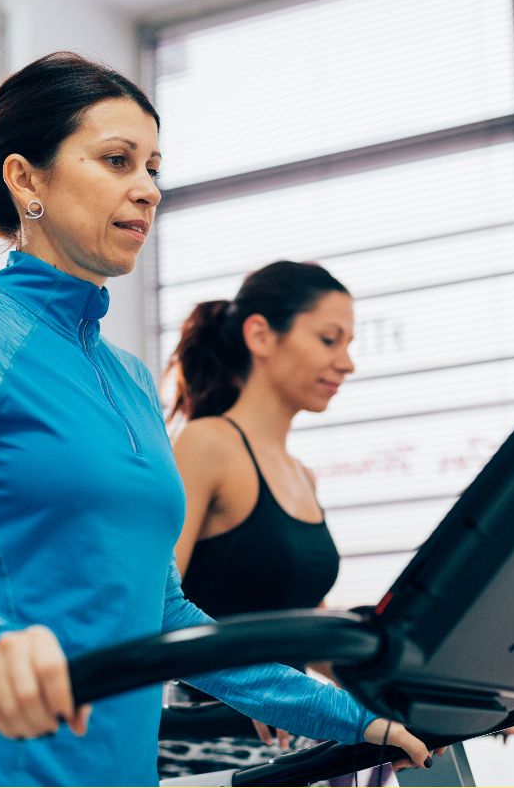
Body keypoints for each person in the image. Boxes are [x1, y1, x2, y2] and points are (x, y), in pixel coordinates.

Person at [0, 52, 432, 786]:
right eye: (118, 160)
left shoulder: (128, 379)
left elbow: (166, 611)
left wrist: (347, 717)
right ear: (26, 178)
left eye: (154, 166)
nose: (148, 189)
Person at [156, 262, 352, 778]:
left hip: (290, 742)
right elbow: (153, 599)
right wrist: (261, 690)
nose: (347, 362)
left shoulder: (302, 475)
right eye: (330, 339)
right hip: (207, 741)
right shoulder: (206, 445)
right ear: (260, 335)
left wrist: (435, 692)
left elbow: (310, 632)